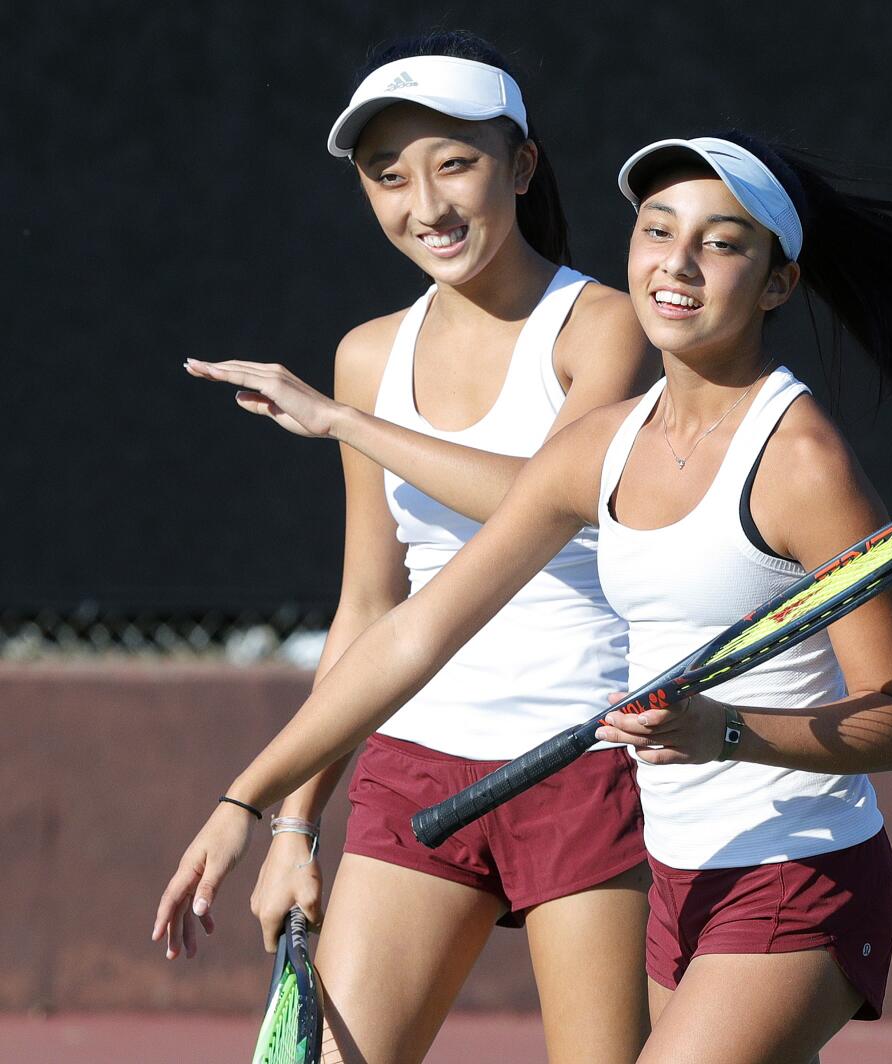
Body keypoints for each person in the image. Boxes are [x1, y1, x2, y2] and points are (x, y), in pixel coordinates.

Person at [156, 130, 892, 1063]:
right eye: (657, 230)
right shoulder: (600, 447)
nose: (676, 263)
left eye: (720, 242)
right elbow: (415, 633)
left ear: (776, 283)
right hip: (679, 881)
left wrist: (725, 731)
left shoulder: (800, 463)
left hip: (800, 870)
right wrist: (253, 800)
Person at [172, 30, 659, 1064]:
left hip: (589, 760)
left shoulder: (604, 325)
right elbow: (368, 604)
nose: (424, 205)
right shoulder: (366, 355)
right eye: (388, 176)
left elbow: (551, 503)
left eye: (455, 164)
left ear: (521, 166)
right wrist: (296, 821)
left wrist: (345, 423)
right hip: (414, 772)